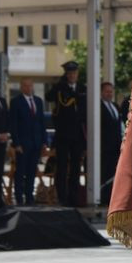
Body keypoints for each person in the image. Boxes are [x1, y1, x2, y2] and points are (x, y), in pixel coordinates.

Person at [47, 60, 86, 206]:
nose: (72, 76)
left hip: (77, 135)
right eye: (69, 73)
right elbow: (48, 97)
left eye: (74, 73)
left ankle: (74, 197)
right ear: (66, 74)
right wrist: (59, 85)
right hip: (63, 134)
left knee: (76, 167)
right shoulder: (60, 88)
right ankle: (62, 197)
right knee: (62, 167)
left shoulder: (82, 88)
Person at [9, 78, 47, 206]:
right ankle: (19, 197)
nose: (28, 88)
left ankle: (29, 196)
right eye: (25, 86)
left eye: (30, 85)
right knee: (20, 172)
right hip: (23, 144)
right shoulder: (16, 102)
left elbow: (42, 123)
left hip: (36, 142)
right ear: (21, 87)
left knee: (32, 171)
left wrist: (44, 142)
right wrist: (16, 143)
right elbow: (13, 124)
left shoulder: (38, 101)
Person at [99, 81, 123, 204]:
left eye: (111, 91)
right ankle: (103, 198)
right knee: (105, 173)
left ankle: (112, 198)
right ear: (101, 92)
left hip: (116, 146)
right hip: (104, 147)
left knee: (115, 173)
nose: (109, 94)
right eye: (107, 91)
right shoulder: (98, 107)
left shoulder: (114, 106)